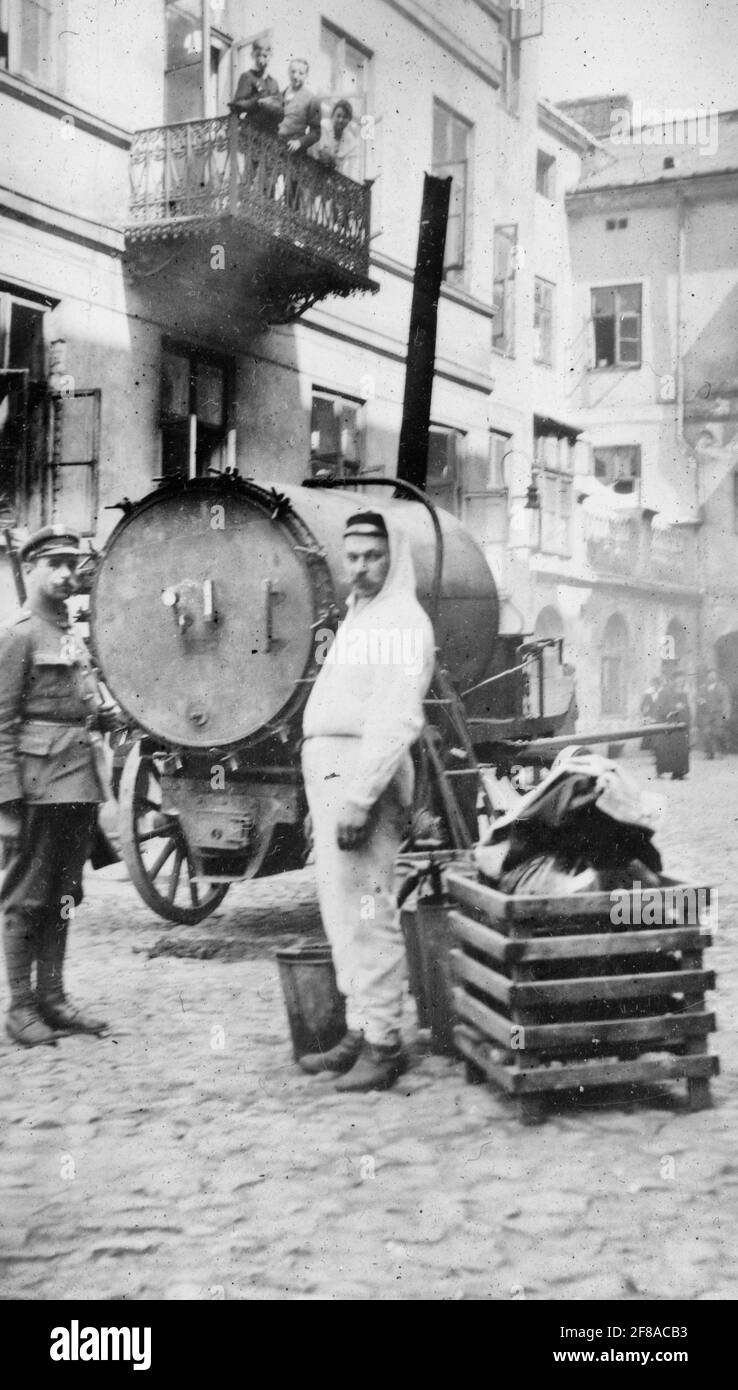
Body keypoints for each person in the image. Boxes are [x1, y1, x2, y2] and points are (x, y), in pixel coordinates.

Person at [299, 510, 435, 1092]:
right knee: (341, 912)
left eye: (372, 555)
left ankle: (384, 1042)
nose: (359, 566)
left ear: (393, 556)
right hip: (334, 777)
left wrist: (358, 798)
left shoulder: (403, 620)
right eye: (351, 555)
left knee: (366, 913)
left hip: (362, 781)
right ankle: (361, 1025)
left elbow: (395, 717)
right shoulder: (364, 615)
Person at [0, 526, 109, 1047]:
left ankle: (54, 997)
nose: (68, 574)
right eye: (57, 564)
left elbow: (79, 699)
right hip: (38, 785)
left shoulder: (69, 633)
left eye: (73, 564)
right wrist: (6, 802)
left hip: (79, 781)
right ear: (31, 570)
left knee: (65, 893)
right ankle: (20, 1006)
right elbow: (0, 724)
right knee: (27, 896)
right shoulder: (19, 633)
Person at [229, 38, 283, 132]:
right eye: (258, 55)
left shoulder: (273, 82)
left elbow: (280, 110)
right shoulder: (247, 77)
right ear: (252, 55)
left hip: (271, 134)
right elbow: (236, 105)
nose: (261, 60)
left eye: (265, 56)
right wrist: (258, 102)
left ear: (271, 56)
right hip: (253, 133)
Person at [652, 668, 690, 779]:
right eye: (679, 680)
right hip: (668, 724)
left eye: (683, 680)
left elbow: (687, 708)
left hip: (681, 724)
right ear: (673, 680)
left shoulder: (683, 693)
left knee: (681, 749)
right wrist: (673, 708)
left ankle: (679, 773)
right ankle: (661, 771)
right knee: (666, 749)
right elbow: (659, 707)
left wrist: (686, 717)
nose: (681, 682)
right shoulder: (665, 692)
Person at [278, 58, 321, 155]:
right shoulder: (281, 94)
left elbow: (317, 132)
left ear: (306, 76)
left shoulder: (312, 99)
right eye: (293, 71)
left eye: (301, 73)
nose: (295, 76)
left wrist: (300, 142)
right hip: (275, 145)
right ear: (288, 72)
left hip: (293, 150)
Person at [314, 99, 360, 179]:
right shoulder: (322, 127)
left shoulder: (351, 140)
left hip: (334, 178)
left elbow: (350, 168)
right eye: (338, 116)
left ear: (349, 120)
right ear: (332, 115)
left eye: (345, 117)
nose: (341, 120)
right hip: (314, 170)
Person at [701, 668, 731, 759]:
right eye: (710, 674)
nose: (711, 676)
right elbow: (700, 699)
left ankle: (721, 752)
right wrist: (701, 702)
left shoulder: (722, 687)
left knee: (719, 732)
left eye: (713, 674)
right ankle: (709, 753)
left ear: (717, 676)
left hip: (718, 714)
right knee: (707, 732)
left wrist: (726, 713)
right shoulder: (703, 687)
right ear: (707, 676)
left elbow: (726, 701)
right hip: (707, 714)